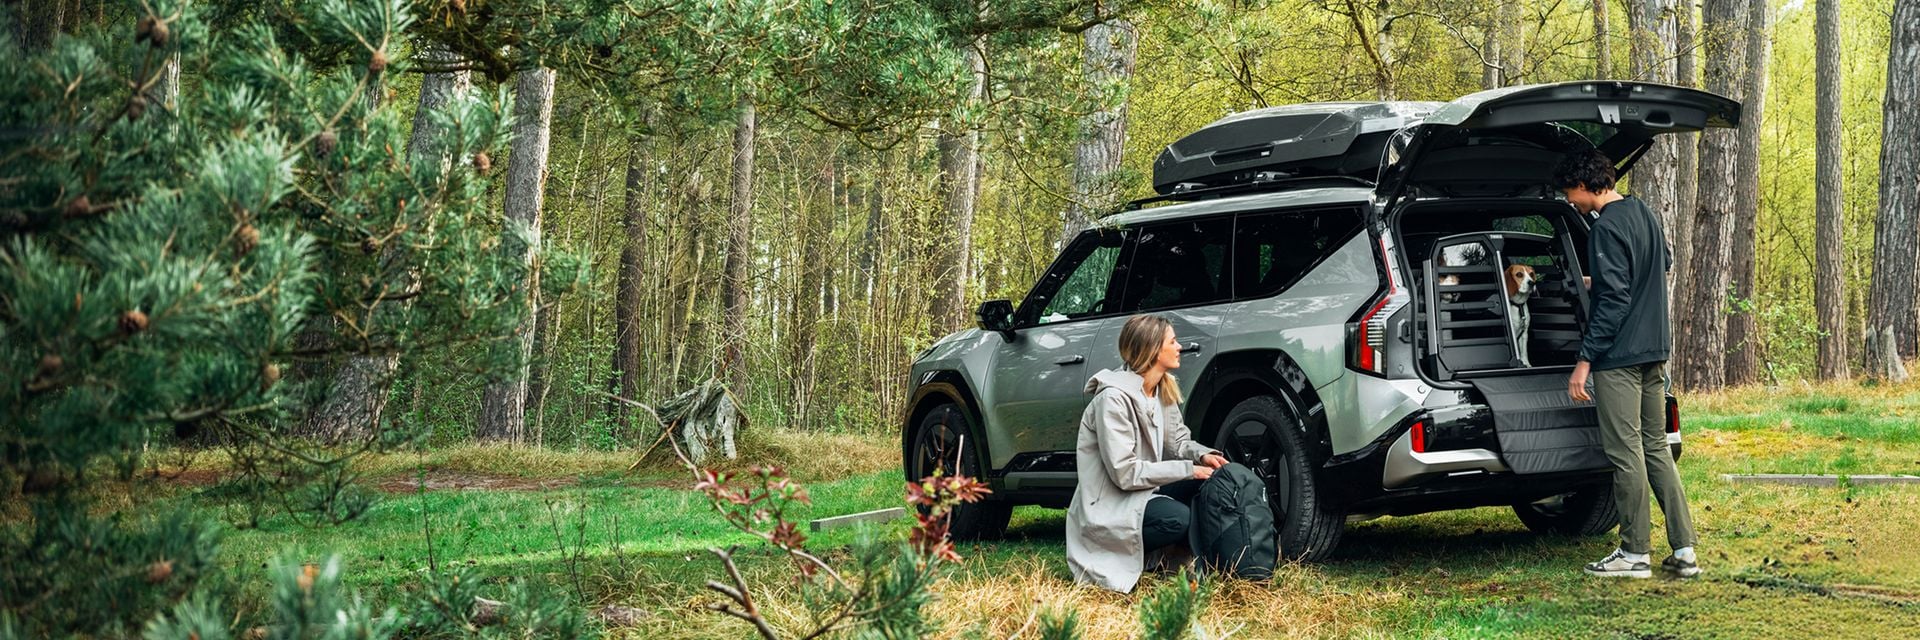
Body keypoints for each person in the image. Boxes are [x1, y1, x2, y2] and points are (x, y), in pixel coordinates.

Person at [1554, 149, 1700, 579]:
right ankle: (1685, 550)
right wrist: (1598, 280)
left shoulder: (1604, 228)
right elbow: (1661, 263)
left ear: (1584, 184)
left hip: (1618, 357)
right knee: (1656, 449)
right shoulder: (1642, 212)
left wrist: (1584, 360)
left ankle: (1634, 554)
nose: (1570, 201)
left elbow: (1615, 300)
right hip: (1655, 350)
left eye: (1570, 192)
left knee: (1624, 453)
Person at [1066, 314, 1229, 593]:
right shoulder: (1112, 399)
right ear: (1153, 349)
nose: (1180, 347)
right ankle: (1124, 557)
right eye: (1173, 341)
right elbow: (1125, 473)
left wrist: (1203, 457)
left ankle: (1203, 565)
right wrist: (1188, 470)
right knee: (1177, 518)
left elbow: (1178, 440)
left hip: (1143, 492)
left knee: (1206, 490)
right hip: (1112, 502)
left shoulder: (1159, 390)